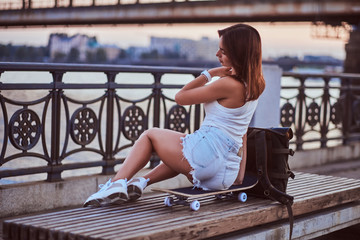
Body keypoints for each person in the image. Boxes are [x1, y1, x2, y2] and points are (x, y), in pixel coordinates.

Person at [84, 23, 265, 207]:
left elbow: (180, 97)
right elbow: (241, 132)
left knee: (150, 136)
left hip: (207, 158)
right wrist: (239, 175)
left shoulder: (227, 84)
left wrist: (209, 74)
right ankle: (141, 182)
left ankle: (116, 183)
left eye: (223, 51)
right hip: (225, 173)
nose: (217, 55)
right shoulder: (254, 87)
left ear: (238, 53)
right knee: (180, 149)